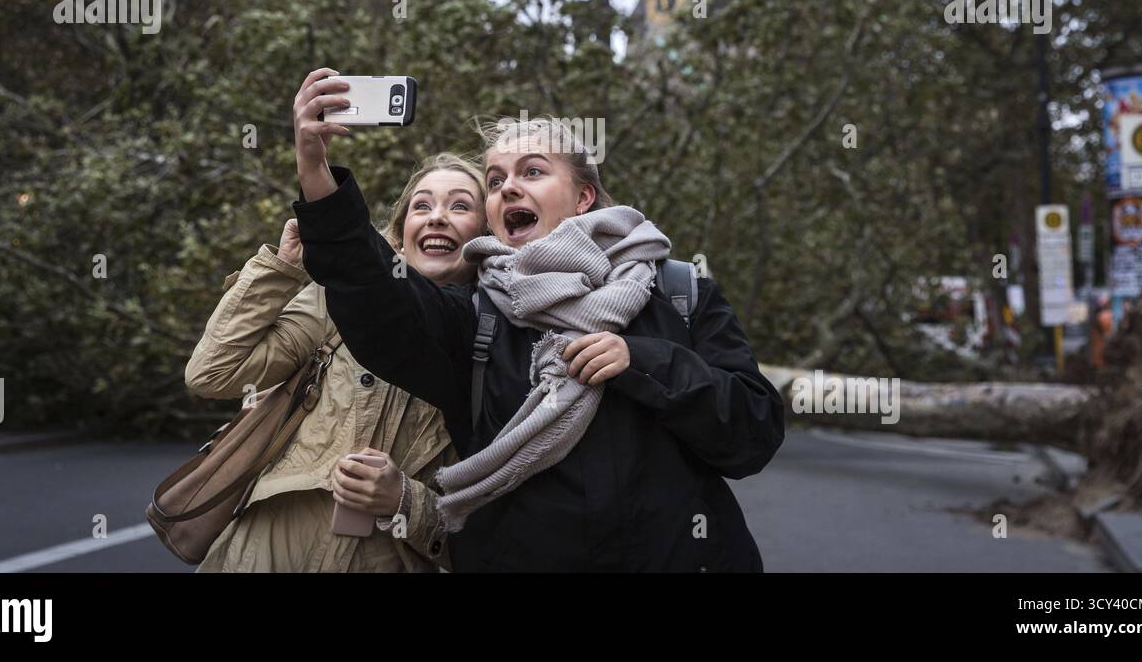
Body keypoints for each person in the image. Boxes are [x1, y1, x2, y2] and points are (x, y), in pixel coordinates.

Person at [289, 67, 786, 571]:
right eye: (495, 180)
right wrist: (316, 174)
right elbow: (378, 294)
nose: (507, 189)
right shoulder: (475, 316)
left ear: (584, 197)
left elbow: (753, 434)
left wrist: (642, 360)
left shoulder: (679, 291)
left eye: (531, 172)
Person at [183, 152, 486, 572]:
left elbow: (493, 527)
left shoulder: (498, 346)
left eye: (459, 205)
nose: (436, 217)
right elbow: (213, 373)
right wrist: (281, 268)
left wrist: (404, 501)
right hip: (265, 555)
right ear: (398, 234)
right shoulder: (333, 302)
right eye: (421, 205)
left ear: (487, 235)